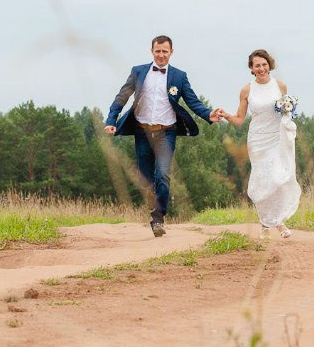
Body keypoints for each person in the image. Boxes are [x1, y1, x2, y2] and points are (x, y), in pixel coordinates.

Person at [105, 35, 223, 236]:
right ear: (152, 51)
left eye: (165, 51)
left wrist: (208, 114)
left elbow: (193, 102)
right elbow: (122, 96)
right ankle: (154, 208)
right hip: (142, 131)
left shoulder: (179, 76)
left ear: (171, 52)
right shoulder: (138, 72)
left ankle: (158, 218)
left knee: (163, 174)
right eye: (158, 51)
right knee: (146, 179)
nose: (161, 55)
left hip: (166, 133)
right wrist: (111, 120)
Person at [220, 49, 301, 238]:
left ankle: (278, 221)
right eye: (257, 65)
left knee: (278, 179)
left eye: (264, 64)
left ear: (269, 65)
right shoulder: (247, 90)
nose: (262, 68)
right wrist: (226, 116)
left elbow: (286, 111)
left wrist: (288, 114)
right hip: (257, 139)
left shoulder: (280, 86)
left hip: (277, 137)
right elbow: (239, 119)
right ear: (251, 68)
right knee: (262, 180)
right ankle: (266, 223)